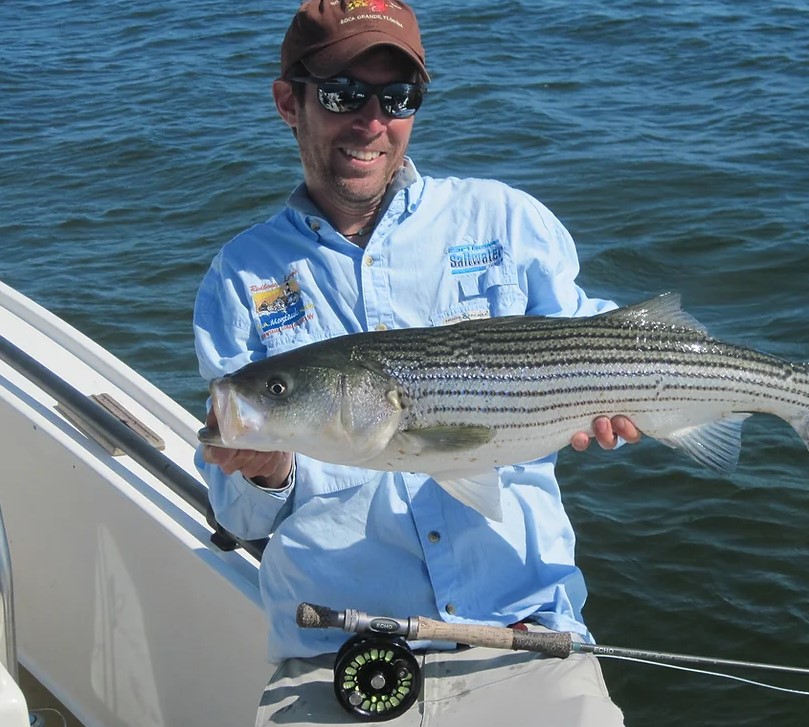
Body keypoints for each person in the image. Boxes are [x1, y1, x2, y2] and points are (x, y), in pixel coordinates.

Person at [195, 1, 639, 724]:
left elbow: (592, 334)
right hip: (334, 649)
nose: (371, 121)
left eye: (397, 98)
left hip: (524, 636)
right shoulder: (240, 278)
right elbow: (238, 512)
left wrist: (637, 394)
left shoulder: (504, 219)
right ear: (289, 103)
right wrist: (267, 472)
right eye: (342, 94)